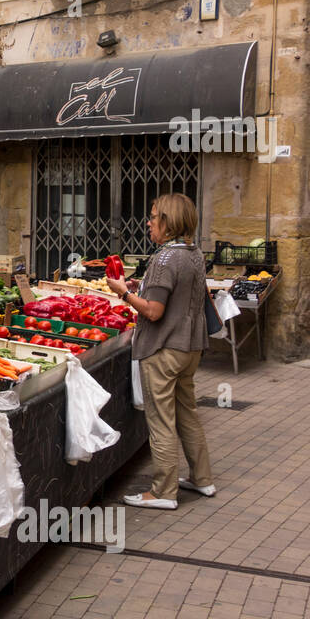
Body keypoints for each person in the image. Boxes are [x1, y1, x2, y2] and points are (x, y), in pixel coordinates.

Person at [106, 192, 213, 510]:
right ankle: (202, 478)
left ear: (167, 222)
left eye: (153, 216)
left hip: (164, 349)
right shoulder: (193, 254)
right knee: (187, 415)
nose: (148, 222)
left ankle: (163, 492)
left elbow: (153, 312)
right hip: (190, 347)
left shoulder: (165, 258)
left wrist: (124, 292)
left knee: (162, 420)